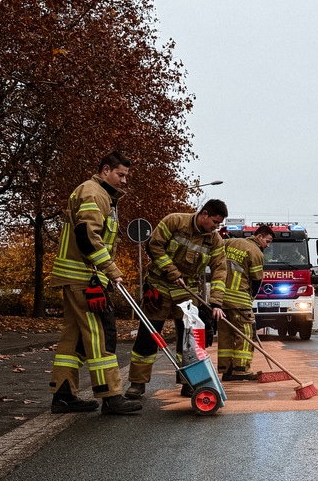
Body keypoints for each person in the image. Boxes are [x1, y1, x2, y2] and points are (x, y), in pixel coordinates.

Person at [49, 151, 142, 415]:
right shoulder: (93, 194)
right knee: (101, 333)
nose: (124, 181)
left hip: (77, 277)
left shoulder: (99, 195)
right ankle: (111, 396)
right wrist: (112, 270)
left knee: (73, 338)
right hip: (84, 279)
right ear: (105, 171)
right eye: (120, 175)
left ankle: (64, 395)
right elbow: (88, 237)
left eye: (125, 176)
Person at [125, 199, 228, 398]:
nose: (216, 227)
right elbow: (154, 246)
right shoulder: (174, 221)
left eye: (219, 224)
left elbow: (220, 271)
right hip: (159, 288)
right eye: (215, 222)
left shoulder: (215, 241)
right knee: (148, 336)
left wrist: (216, 303)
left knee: (188, 342)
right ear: (204, 214)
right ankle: (137, 383)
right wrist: (173, 273)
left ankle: (188, 382)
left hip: (186, 293)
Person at [218, 224, 274, 380]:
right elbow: (256, 280)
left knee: (225, 334)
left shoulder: (230, 243)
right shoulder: (255, 252)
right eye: (267, 241)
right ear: (259, 237)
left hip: (221, 298)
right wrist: (252, 298)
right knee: (246, 334)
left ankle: (226, 369)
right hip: (240, 299)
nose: (267, 245)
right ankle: (241, 370)